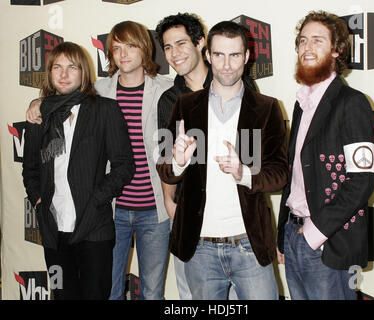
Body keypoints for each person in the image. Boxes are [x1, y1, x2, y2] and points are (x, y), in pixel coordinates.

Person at [25, 21, 173, 300]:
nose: (124, 54)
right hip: (111, 210)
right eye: (116, 48)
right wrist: (37, 104)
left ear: (145, 48)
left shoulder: (166, 90)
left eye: (131, 46)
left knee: (152, 291)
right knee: (108, 291)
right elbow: (63, 95)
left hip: (153, 207)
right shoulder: (99, 90)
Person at [157, 21, 288, 300]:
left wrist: (244, 173)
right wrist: (178, 162)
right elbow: (165, 170)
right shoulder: (184, 106)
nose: (227, 65)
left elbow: (279, 174)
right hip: (199, 248)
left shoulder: (266, 108)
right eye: (219, 55)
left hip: (250, 246)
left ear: (247, 56)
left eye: (235, 55)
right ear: (208, 55)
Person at [22, 41, 135, 300]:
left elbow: (124, 165)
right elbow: (30, 169)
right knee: (62, 295)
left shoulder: (105, 110)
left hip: (94, 229)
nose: (63, 74)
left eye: (71, 67)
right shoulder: (39, 115)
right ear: (49, 73)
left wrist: (96, 198)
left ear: (84, 72)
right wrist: (39, 200)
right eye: (57, 67)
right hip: (54, 231)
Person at [276, 11, 374, 300]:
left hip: (327, 243)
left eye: (317, 40)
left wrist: (313, 235)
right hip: (293, 236)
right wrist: (284, 234)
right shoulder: (301, 103)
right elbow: (294, 176)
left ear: (337, 50)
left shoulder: (352, 103)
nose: (307, 47)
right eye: (303, 40)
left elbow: (361, 181)